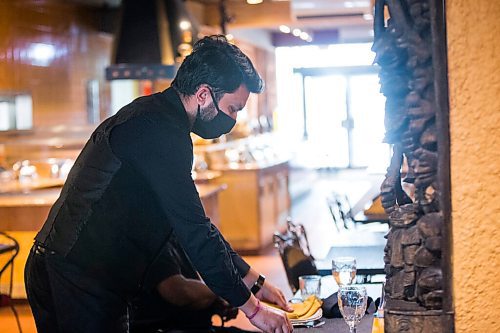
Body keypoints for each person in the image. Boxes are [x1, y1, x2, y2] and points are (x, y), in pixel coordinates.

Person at [24, 35, 293, 333]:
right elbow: (195, 231)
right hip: (75, 272)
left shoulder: (164, 120)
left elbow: (199, 226)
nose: (232, 120)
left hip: (91, 271)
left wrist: (254, 281)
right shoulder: (158, 130)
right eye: (233, 109)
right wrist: (253, 311)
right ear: (203, 94)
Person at [130, 236, 255, 333]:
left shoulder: (170, 236)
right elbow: (178, 291)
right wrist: (223, 292)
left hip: (192, 324)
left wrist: (214, 302)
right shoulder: (152, 240)